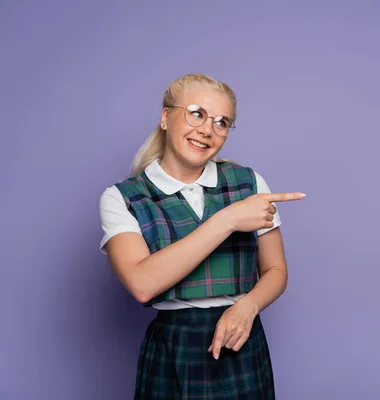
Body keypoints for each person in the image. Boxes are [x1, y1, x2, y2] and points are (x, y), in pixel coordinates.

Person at [98, 73, 305, 399]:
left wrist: (248, 307)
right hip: (173, 346)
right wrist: (228, 219)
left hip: (242, 338)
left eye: (222, 122)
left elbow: (276, 271)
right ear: (166, 117)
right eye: (197, 113)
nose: (208, 129)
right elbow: (142, 284)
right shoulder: (123, 198)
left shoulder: (248, 183)